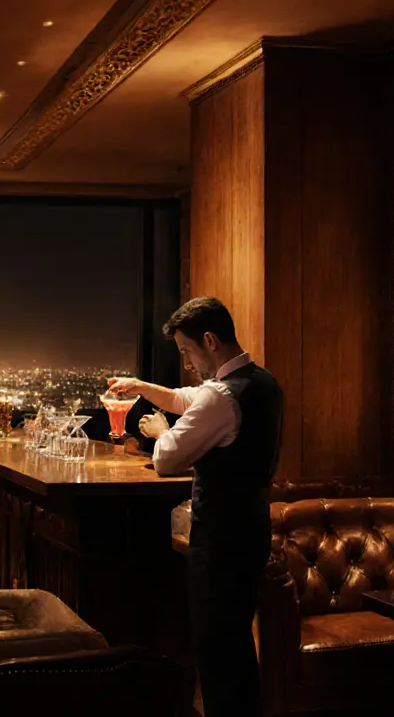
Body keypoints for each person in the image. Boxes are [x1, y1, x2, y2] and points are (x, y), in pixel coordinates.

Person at [107, 297, 283, 717]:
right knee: (238, 646)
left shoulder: (221, 397)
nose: (186, 362)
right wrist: (143, 387)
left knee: (216, 653)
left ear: (210, 340)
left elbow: (167, 457)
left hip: (218, 539)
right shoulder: (263, 382)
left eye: (187, 351)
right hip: (253, 530)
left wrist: (161, 432)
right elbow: (191, 399)